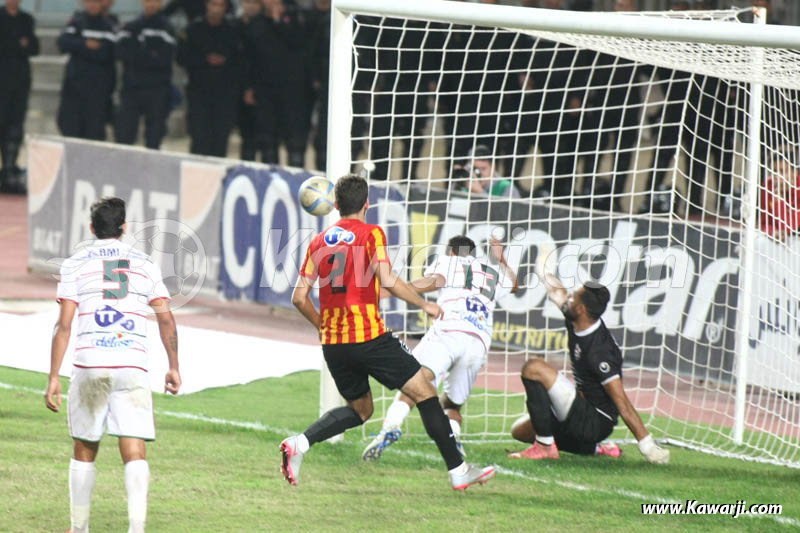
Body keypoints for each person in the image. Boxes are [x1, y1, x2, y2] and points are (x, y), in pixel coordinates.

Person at [284, 174, 496, 490]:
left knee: (361, 410)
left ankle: (299, 443)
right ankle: (458, 471)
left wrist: (321, 325)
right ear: (367, 205)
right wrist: (423, 304)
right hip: (369, 337)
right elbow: (387, 279)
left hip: (334, 345)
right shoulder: (371, 234)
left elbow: (299, 298)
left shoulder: (318, 242)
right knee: (425, 391)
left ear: (335, 205)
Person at [44, 197, 182, 533]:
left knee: (84, 445)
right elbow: (166, 319)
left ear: (92, 228)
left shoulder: (74, 264)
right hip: (131, 362)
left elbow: (64, 325)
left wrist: (53, 377)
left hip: (90, 361)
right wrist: (174, 366)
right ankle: (136, 529)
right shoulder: (145, 264)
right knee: (134, 446)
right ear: (124, 228)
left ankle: (79, 528)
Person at [506, 245, 670, 464]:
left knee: (533, 368)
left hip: (595, 421)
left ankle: (545, 447)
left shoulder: (600, 352)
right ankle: (594, 449)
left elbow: (621, 402)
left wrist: (648, 446)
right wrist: (543, 270)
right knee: (520, 431)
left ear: (582, 309)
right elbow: (557, 292)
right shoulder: (577, 318)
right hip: (578, 409)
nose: (568, 298)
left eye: (573, 297)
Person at [362, 235, 518, 460]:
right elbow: (515, 285)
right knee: (452, 404)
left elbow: (435, 280)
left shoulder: (448, 261)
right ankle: (455, 441)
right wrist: (501, 258)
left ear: (452, 252)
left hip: (450, 331)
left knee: (415, 381)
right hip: (479, 342)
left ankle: (390, 426)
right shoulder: (491, 272)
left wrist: (397, 289)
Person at [177, 0, 241, 157]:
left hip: (225, 94)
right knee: (199, 138)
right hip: (199, 92)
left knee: (220, 139)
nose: (216, 9)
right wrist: (204, 60)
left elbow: (241, 60)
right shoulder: (193, 29)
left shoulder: (233, 30)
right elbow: (181, 57)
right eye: (213, 4)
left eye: (220, 5)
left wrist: (225, 61)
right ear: (207, 5)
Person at [115, 0, 177, 150]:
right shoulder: (131, 26)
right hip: (132, 87)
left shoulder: (167, 28)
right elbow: (120, 52)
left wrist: (139, 54)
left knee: (154, 136)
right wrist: (149, 55)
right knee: (125, 134)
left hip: (157, 89)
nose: (151, 4)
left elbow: (165, 58)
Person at [57, 0, 117, 141]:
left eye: (96, 2)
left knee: (93, 131)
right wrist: (85, 44)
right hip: (74, 87)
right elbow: (63, 43)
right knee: (70, 127)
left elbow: (107, 53)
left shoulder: (108, 26)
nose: (92, 5)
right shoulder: (76, 23)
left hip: (98, 89)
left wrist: (80, 49)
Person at [0, 0, 39, 194]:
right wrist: (18, 44)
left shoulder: (26, 19)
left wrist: (17, 44)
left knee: (15, 126)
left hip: (20, 82)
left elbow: (34, 47)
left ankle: (9, 169)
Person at [236, 0, 262, 161]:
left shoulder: (267, 26)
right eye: (247, 1)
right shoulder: (234, 26)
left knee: (263, 137)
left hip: (263, 88)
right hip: (236, 88)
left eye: (255, 2)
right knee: (246, 136)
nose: (251, 5)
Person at [454, 145, 521, 198]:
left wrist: (480, 192)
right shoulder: (464, 184)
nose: (479, 173)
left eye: (483, 169)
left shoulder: (506, 188)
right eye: (475, 169)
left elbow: (506, 211)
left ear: (493, 167)